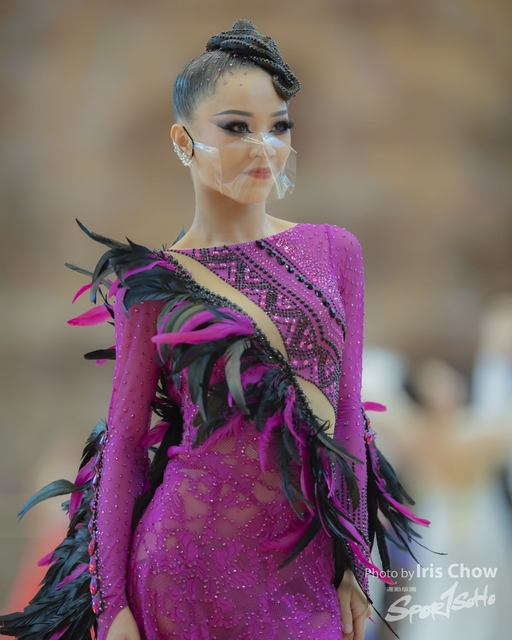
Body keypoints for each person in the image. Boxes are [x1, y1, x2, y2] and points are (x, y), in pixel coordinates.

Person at [0, 19, 432, 640]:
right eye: (235, 127)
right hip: (185, 567)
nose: (264, 147)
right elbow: (124, 443)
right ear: (183, 139)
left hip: (307, 571)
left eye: (278, 126)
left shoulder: (336, 251)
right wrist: (111, 606)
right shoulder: (154, 283)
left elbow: (345, 415)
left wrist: (356, 565)